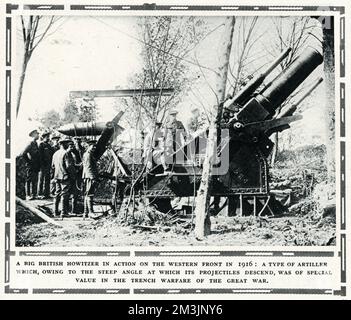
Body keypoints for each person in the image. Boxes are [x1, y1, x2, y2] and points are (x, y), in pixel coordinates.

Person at [51, 139, 75, 217]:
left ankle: (55, 212)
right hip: (65, 177)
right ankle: (63, 212)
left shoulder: (55, 154)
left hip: (57, 176)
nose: (68, 145)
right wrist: (73, 174)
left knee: (57, 193)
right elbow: (69, 166)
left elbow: (53, 166)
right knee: (64, 194)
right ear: (64, 145)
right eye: (67, 144)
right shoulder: (66, 153)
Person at [20, 129, 41, 200]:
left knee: (35, 180)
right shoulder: (30, 143)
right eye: (37, 134)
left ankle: (34, 194)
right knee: (29, 180)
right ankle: (28, 195)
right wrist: (29, 162)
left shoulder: (36, 143)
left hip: (36, 165)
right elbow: (23, 153)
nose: (38, 135)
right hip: (31, 166)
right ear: (34, 135)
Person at [82, 140, 100, 219]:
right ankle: (90, 212)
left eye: (95, 146)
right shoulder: (88, 155)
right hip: (89, 177)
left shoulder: (89, 154)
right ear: (89, 146)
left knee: (88, 194)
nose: (94, 148)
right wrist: (92, 177)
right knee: (89, 194)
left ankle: (86, 213)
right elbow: (88, 167)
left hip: (88, 176)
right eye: (93, 146)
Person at [38, 132, 54, 199]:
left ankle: (46, 193)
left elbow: (51, 155)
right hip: (43, 165)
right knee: (41, 179)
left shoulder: (48, 145)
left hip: (48, 165)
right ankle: (40, 194)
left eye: (48, 136)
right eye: (47, 137)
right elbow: (40, 156)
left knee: (47, 179)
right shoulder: (41, 145)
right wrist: (41, 165)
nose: (48, 138)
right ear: (43, 137)